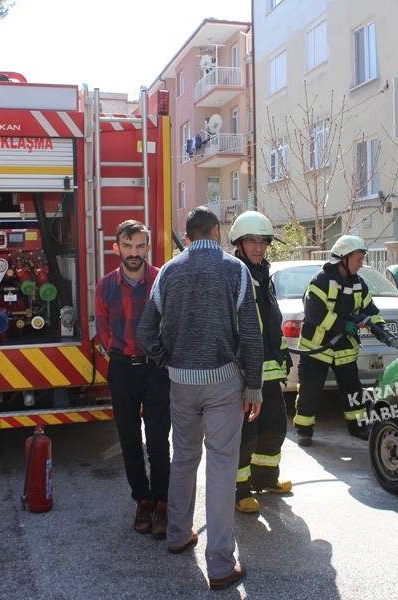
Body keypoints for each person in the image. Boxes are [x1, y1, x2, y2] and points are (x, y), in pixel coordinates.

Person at [137, 206, 263, 591]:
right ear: (218, 231)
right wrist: (254, 386)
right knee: (222, 467)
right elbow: (251, 335)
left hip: (180, 383)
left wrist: (166, 358)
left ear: (188, 235)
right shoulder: (234, 269)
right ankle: (221, 566)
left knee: (184, 458)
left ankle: (177, 534)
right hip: (224, 383)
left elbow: (145, 333)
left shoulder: (169, 271)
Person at [95, 220, 171, 539]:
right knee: (129, 442)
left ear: (147, 248)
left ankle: (163, 503)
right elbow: (103, 330)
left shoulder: (162, 281)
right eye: (128, 246)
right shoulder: (105, 286)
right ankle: (142, 501)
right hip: (122, 369)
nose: (134, 253)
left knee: (156, 442)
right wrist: (120, 355)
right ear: (117, 249)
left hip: (157, 370)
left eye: (140, 246)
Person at [293, 235, 393, 446]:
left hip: (345, 348)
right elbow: (313, 312)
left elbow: (370, 311)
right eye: (357, 259)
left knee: (353, 390)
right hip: (317, 347)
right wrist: (341, 325)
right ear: (343, 259)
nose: (361, 263)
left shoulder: (358, 283)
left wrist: (383, 331)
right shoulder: (321, 280)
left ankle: (358, 426)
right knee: (310, 389)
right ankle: (304, 429)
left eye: (361, 258)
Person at [228, 211, 293, 515]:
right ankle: (239, 490)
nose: (258, 247)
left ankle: (265, 478)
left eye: (263, 241)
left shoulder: (263, 274)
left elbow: (270, 322)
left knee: (274, 426)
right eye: (251, 241)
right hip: (244, 374)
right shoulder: (234, 275)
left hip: (269, 370)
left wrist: (283, 355)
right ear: (238, 244)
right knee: (244, 434)